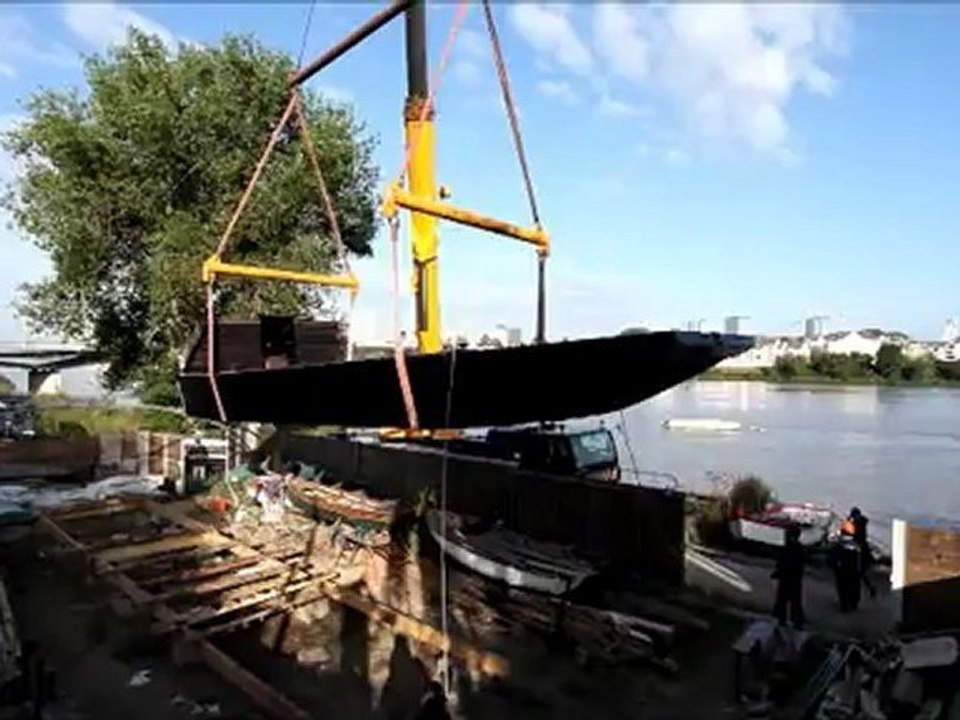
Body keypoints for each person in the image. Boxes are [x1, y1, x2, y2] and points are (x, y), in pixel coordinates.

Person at [772, 523, 806, 629]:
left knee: (783, 599)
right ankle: (797, 621)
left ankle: (783, 619)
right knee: (795, 600)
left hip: (787, 577)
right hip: (795, 578)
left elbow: (783, 562)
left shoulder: (788, 548)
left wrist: (778, 572)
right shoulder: (800, 548)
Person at [843, 507, 877, 598]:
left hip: (858, 550)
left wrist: (848, 521)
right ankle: (870, 588)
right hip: (862, 548)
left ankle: (866, 590)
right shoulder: (861, 522)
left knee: (858, 572)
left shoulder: (857, 524)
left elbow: (848, 533)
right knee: (861, 573)